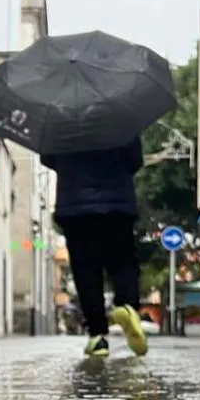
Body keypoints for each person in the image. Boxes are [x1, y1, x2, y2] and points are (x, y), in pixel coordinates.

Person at [41, 139, 148, 358]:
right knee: (123, 260)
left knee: (85, 269)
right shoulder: (120, 116)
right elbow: (135, 159)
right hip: (117, 204)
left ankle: (97, 335)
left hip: (75, 206)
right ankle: (127, 306)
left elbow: (48, 158)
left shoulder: (61, 121)